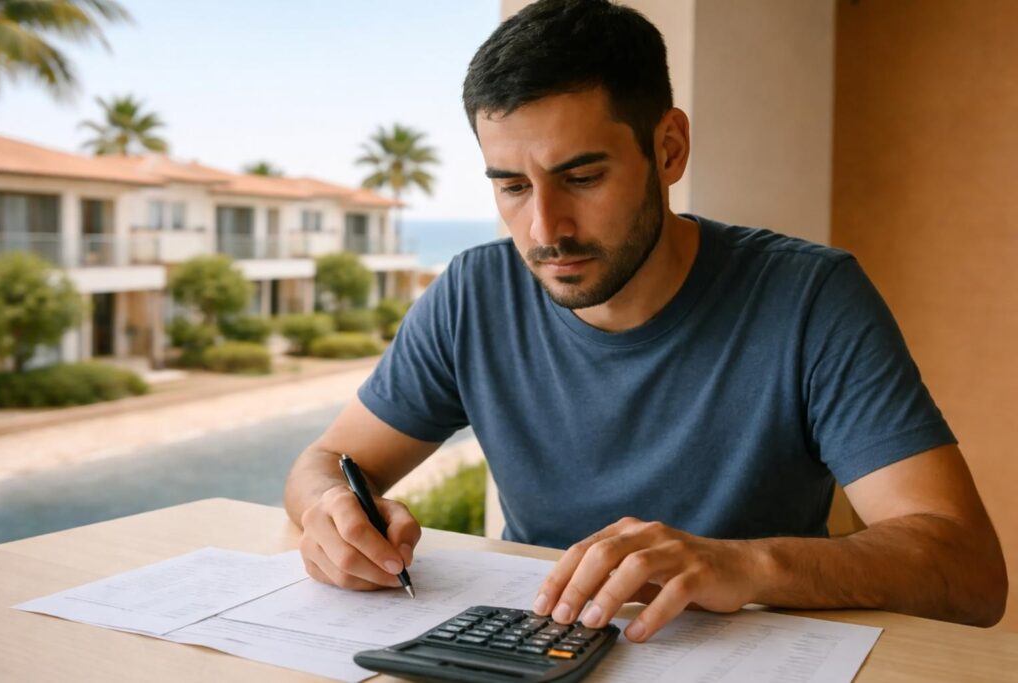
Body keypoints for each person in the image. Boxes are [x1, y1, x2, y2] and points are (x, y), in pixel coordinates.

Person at [285, 0, 1007, 642]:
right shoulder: (474, 292)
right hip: (534, 652)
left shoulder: (809, 297)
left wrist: (743, 562)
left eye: (582, 177)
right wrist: (330, 512)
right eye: (510, 185)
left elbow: (969, 571)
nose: (545, 228)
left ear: (668, 149)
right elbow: (328, 462)